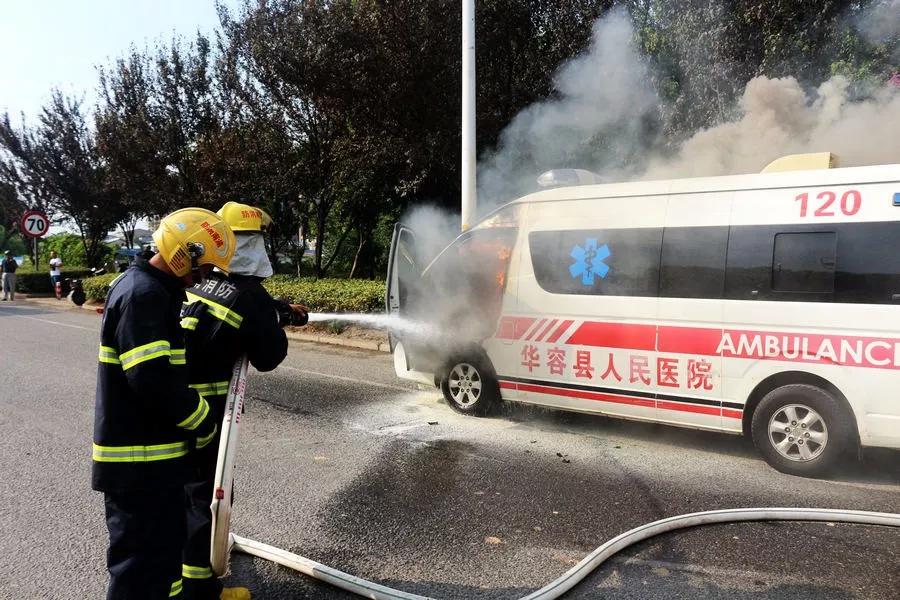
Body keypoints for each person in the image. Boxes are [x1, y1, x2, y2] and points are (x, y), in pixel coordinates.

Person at [92, 208, 236, 600]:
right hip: (140, 468)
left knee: (163, 567)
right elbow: (152, 380)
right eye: (202, 268)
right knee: (139, 572)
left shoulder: (155, 292)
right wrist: (205, 420)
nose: (202, 278)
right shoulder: (144, 295)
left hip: (156, 465)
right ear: (182, 253)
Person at [179, 201, 307, 600]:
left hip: (173, 403)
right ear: (255, 244)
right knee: (208, 494)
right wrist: (274, 322)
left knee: (183, 492)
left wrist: (278, 311)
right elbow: (268, 356)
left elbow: (230, 315)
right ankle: (201, 588)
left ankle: (181, 577)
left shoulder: (198, 279)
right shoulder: (250, 297)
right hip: (207, 411)